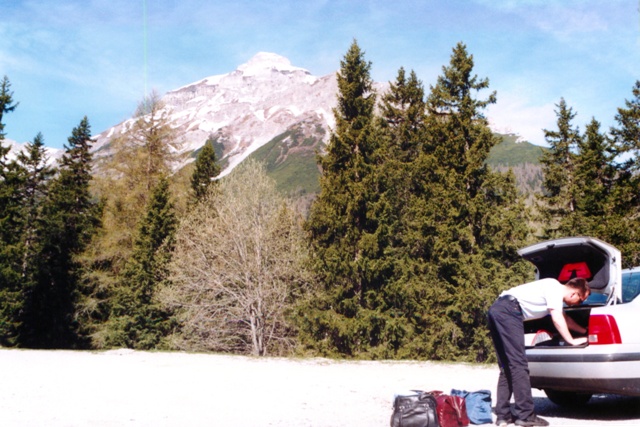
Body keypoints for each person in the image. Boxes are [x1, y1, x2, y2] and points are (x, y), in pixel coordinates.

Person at [487, 277, 590, 427]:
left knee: (506, 366)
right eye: (581, 300)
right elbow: (557, 318)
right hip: (510, 311)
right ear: (574, 294)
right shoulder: (555, 288)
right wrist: (571, 341)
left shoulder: (551, 288)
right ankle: (526, 415)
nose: (579, 304)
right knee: (519, 365)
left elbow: (565, 318)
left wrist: (584, 331)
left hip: (497, 309)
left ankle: (503, 416)